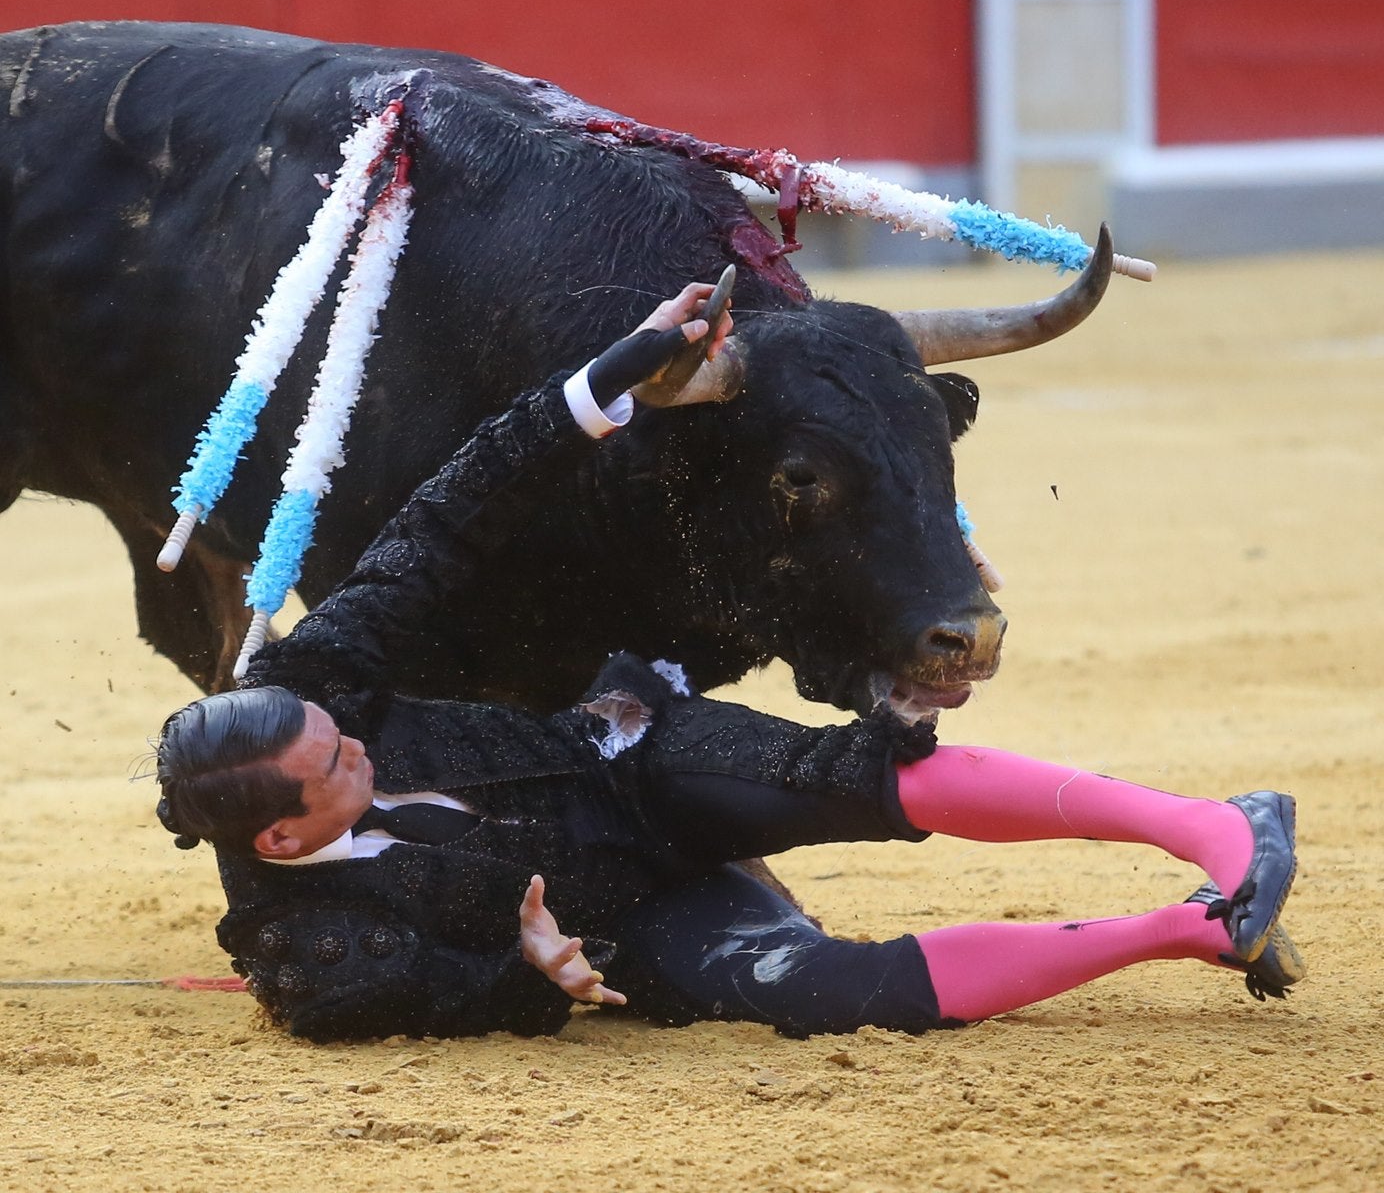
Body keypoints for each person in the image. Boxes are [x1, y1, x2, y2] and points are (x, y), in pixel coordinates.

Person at [155, 281, 1304, 1042]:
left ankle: (1217, 827)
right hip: (630, 928)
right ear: (281, 838)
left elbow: (447, 517)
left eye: (335, 724)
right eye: (336, 759)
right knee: (829, 993)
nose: (355, 730)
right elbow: (384, 995)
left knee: (869, 774)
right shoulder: (291, 944)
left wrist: (602, 382)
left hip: (625, 761)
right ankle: (1189, 930)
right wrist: (527, 974)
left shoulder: (317, 681)